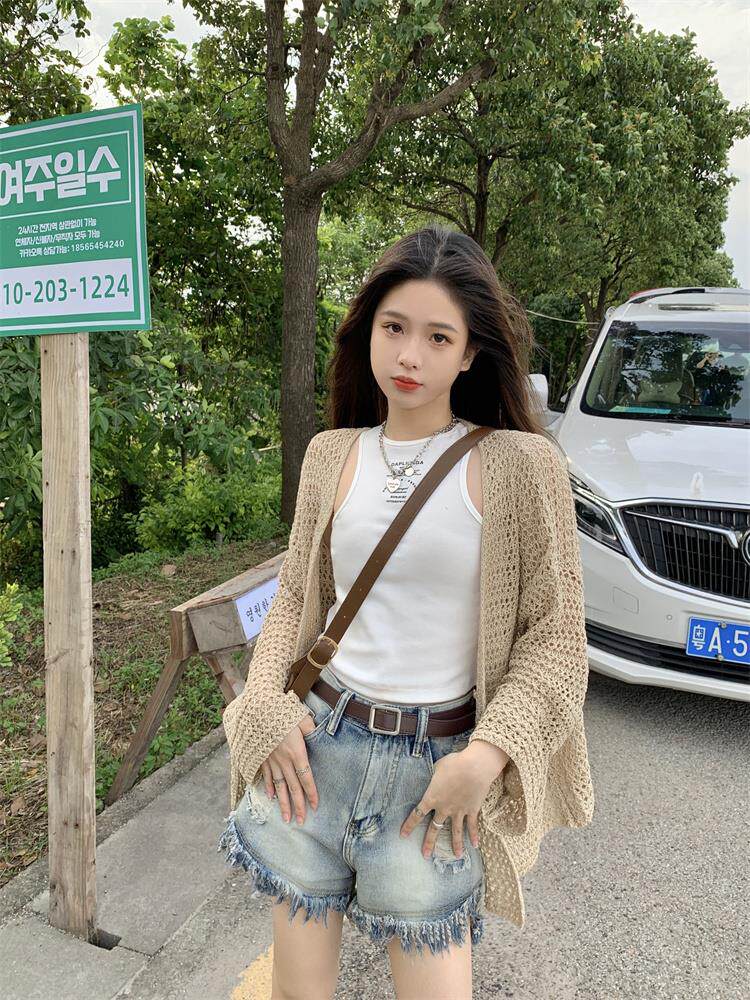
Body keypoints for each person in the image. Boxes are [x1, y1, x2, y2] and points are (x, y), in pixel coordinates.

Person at [218, 225, 595, 999]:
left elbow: (556, 639)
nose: (409, 356)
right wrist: (263, 703)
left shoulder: (521, 465)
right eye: (393, 328)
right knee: (297, 993)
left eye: (437, 337)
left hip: (435, 776)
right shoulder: (331, 453)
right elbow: (296, 597)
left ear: (471, 353)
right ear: (368, 332)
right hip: (314, 755)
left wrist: (486, 758)